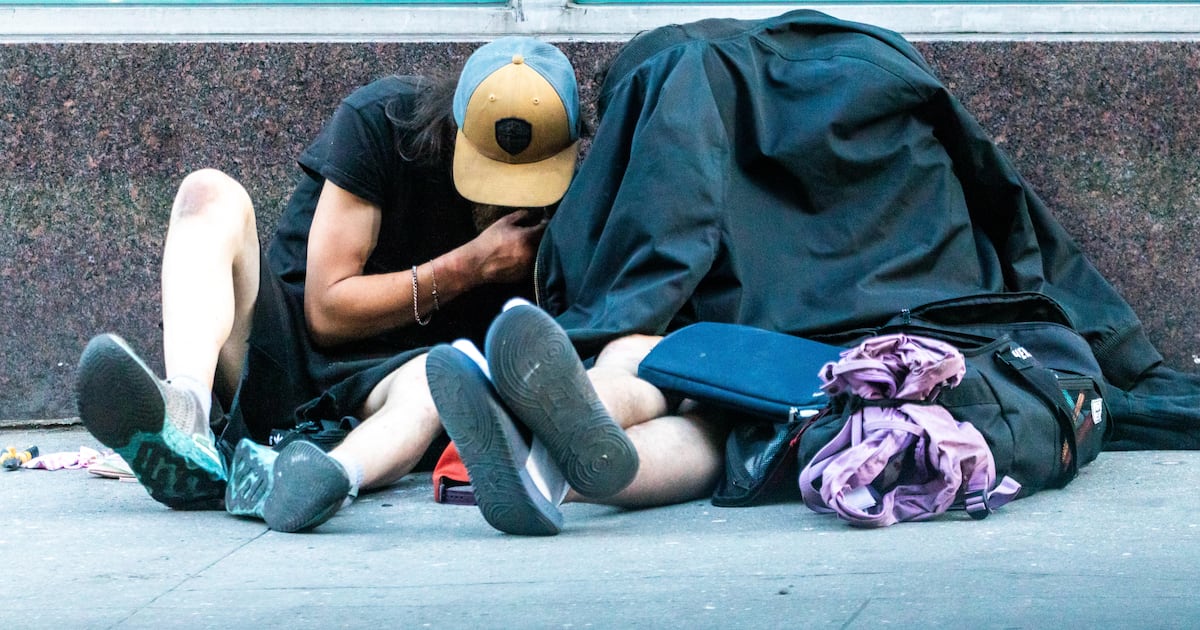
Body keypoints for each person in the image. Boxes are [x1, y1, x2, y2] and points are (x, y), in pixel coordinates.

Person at [430, 10, 1200, 535]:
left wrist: (591, 318)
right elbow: (1012, 209)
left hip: (752, 340)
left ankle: (537, 447)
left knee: (654, 360)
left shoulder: (675, 78)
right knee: (725, 434)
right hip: (915, 338)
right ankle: (569, 475)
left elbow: (653, 250)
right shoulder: (874, 73)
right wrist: (1123, 351)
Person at [73, 36, 592, 533]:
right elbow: (326, 312)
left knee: (439, 379)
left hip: (392, 398)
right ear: (454, 130)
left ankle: (313, 481)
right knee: (207, 192)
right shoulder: (383, 122)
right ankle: (187, 420)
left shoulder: (578, 195)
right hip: (283, 355)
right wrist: (471, 266)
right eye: (489, 173)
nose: (506, 196)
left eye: (528, 179)